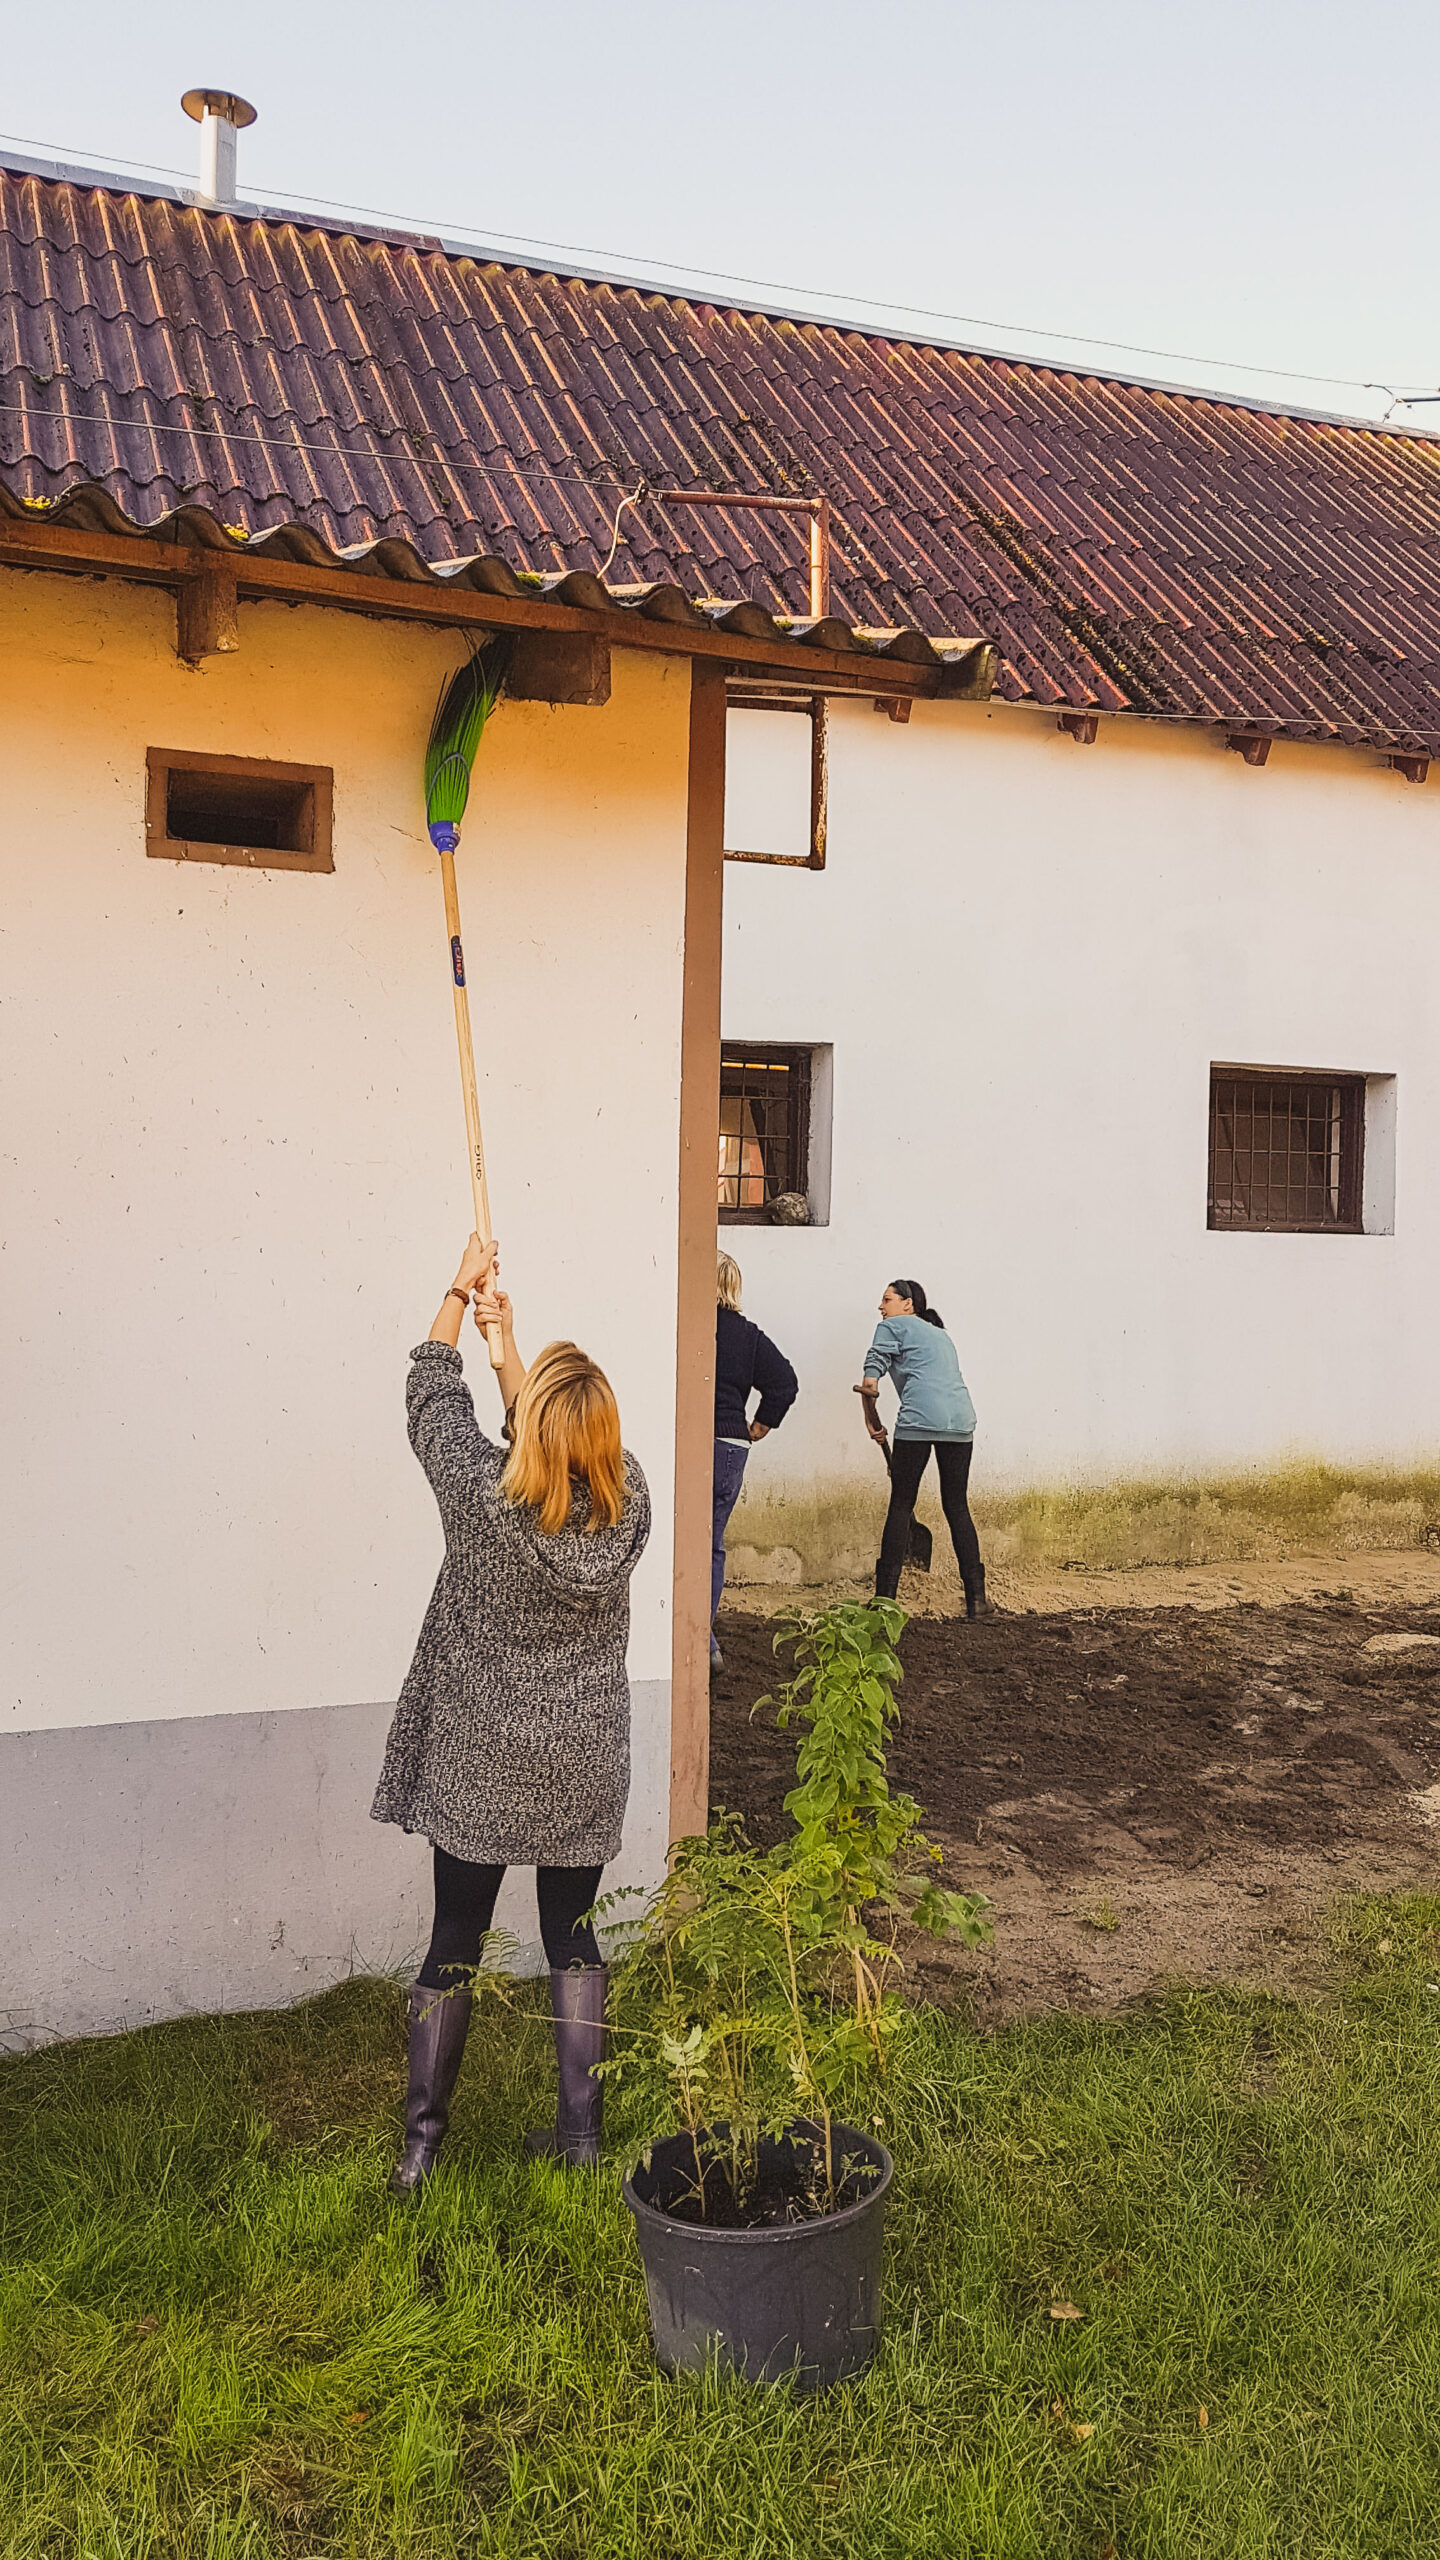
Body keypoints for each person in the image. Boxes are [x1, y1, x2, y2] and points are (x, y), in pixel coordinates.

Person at [372, 1234, 650, 2191]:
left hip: (481, 1756)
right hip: (583, 1756)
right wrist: (510, 1347)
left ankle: (421, 2152)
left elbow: (429, 1390)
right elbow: (555, 1451)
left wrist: (459, 1294)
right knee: (573, 1934)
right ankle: (581, 2142)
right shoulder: (628, 1501)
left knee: (457, 1938)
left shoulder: (477, 1496)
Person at [858, 1277, 990, 1618]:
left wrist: (871, 1420)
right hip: (960, 1420)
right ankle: (977, 1599)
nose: (881, 1306)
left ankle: (884, 1600)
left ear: (908, 1304)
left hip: (918, 1419)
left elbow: (870, 1383)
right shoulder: (941, 1334)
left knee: (902, 1503)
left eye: (887, 1299)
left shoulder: (891, 1326)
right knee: (957, 1505)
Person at [712, 1253, 798, 1670]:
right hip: (730, 1444)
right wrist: (760, 1425)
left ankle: (681, 1637)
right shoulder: (748, 1336)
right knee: (710, 1545)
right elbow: (785, 1382)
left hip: (689, 1440)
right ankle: (704, 1640)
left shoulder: (685, 1323)